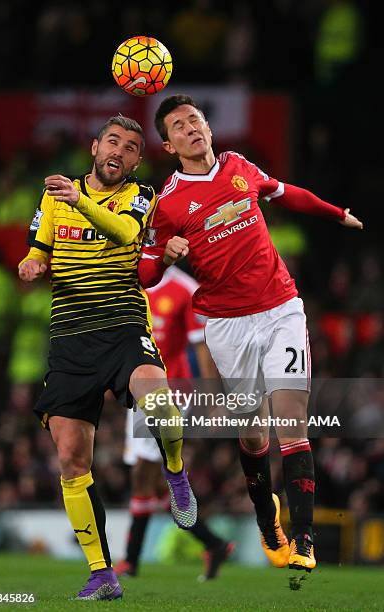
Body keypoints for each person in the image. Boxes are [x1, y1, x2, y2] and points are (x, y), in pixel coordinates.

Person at [138, 95, 363, 576]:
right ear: (168, 143)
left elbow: (287, 193)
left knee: (291, 422)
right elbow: (145, 272)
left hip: (281, 307)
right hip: (226, 323)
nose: (192, 128)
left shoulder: (239, 166)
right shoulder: (169, 204)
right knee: (253, 432)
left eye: (196, 119)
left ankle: (304, 541)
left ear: (208, 127)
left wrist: (334, 212)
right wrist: (165, 257)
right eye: (180, 125)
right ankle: (268, 521)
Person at [18, 116, 197, 601]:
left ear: (138, 160)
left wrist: (81, 203)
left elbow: (124, 234)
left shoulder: (141, 196)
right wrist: (33, 262)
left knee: (160, 404)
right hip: (70, 339)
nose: (120, 150)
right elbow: (40, 248)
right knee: (72, 460)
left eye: (132, 147)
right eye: (113, 141)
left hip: (122, 328)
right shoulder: (56, 195)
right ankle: (102, 573)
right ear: (96, 147)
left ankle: (176, 473)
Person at [115, 265, 234, 580]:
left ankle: (130, 561)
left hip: (172, 391)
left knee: (145, 472)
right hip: (138, 388)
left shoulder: (185, 289)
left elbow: (201, 347)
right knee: (153, 482)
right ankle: (214, 544)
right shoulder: (130, 281)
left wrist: (211, 398)